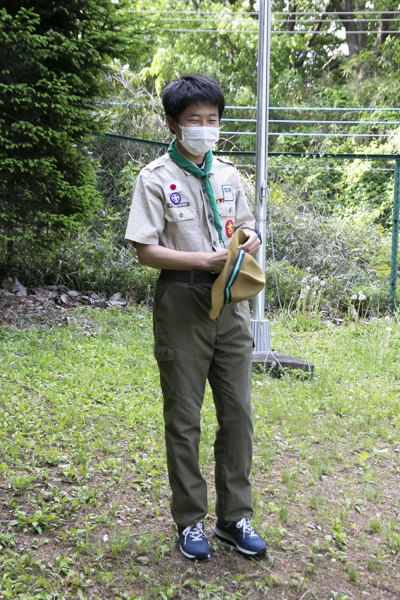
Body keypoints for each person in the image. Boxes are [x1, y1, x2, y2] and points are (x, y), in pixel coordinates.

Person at [125, 74, 267, 561]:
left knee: (239, 413)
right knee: (184, 418)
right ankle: (190, 521)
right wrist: (202, 262)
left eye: (212, 120)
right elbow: (145, 250)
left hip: (232, 302)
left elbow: (246, 225)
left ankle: (234, 518)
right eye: (194, 121)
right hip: (182, 302)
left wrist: (251, 239)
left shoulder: (228, 174)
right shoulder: (155, 178)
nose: (205, 129)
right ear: (173, 123)